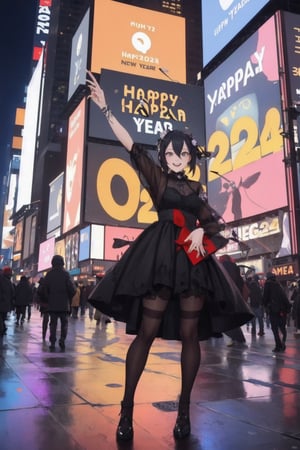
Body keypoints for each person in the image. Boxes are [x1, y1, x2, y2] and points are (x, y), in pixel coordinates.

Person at [86, 71, 253, 441]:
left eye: (183, 153)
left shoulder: (197, 188)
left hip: (192, 260)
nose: (177, 157)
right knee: (145, 332)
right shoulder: (158, 179)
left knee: (191, 334)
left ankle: (184, 412)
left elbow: (214, 225)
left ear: (191, 156)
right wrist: (107, 110)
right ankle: (126, 408)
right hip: (161, 255)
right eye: (171, 152)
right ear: (163, 155)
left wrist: (204, 231)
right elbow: (132, 149)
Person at [44, 255, 76, 351]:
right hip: (64, 305)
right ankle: (62, 340)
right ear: (62, 263)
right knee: (64, 324)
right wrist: (68, 298)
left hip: (52, 304)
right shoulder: (66, 274)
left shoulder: (49, 275)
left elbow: (44, 289)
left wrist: (49, 298)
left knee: (53, 324)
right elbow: (72, 289)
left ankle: (52, 342)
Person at [218, 254, 248, 347]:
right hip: (236, 296)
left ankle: (233, 338)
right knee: (232, 318)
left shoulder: (222, 267)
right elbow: (241, 284)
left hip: (226, 295)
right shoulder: (235, 268)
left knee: (225, 319)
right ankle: (238, 338)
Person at [262, 272, 291, 352]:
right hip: (282, 310)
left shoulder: (267, 285)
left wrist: (264, 305)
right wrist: (288, 307)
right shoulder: (278, 285)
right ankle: (283, 342)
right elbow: (284, 297)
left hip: (273, 310)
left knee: (275, 329)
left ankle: (278, 346)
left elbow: (265, 298)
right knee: (282, 328)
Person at [0, 267, 15, 337]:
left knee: (1, 318)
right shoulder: (9, 282)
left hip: (2, 302)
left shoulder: (2, 280)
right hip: (6, 304)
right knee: (3, 317)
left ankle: (2, 329)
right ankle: (3, 329)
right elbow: (13, 293)